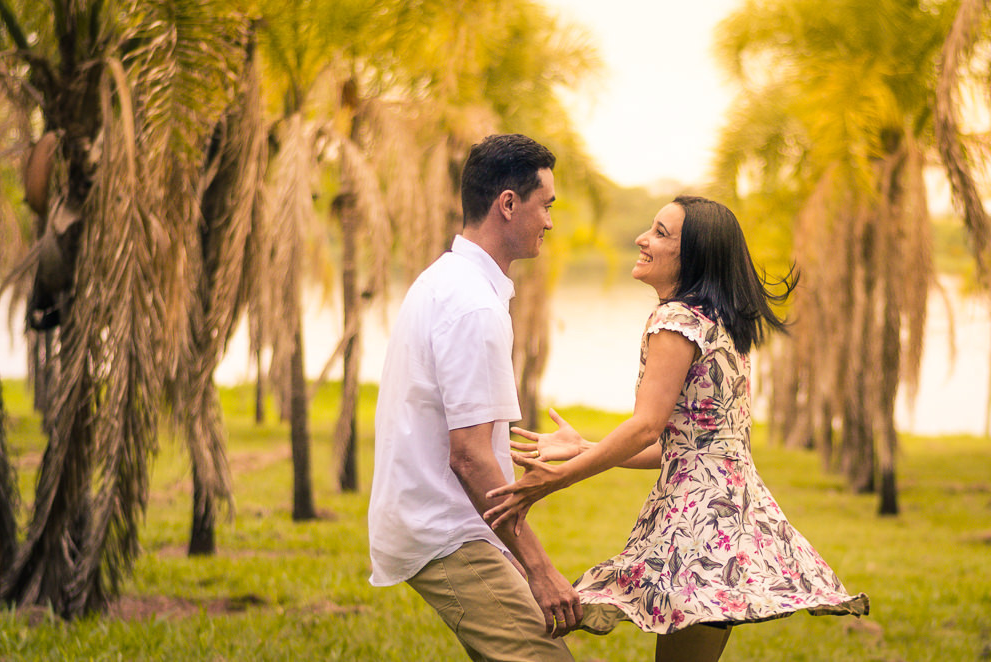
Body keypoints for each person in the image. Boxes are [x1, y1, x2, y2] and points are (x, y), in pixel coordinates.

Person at [483, 196, 869, 662]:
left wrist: (556, 480)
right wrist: (584, 445)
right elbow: (682, 446)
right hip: (733, 520)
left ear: (694, 257)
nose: (643, 240)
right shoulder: (720, 326)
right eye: (651, 228)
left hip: (698, 527)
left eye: (661, 234)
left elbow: (647, 427)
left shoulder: (675, 321)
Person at [368, 134, 582, 662]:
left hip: (451, 525)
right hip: (446, 531)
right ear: (508, 204)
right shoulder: (473, 305)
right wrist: (539, 567)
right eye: (546, 205)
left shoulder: (448, 280)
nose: (550, 222)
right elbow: (469, 455)